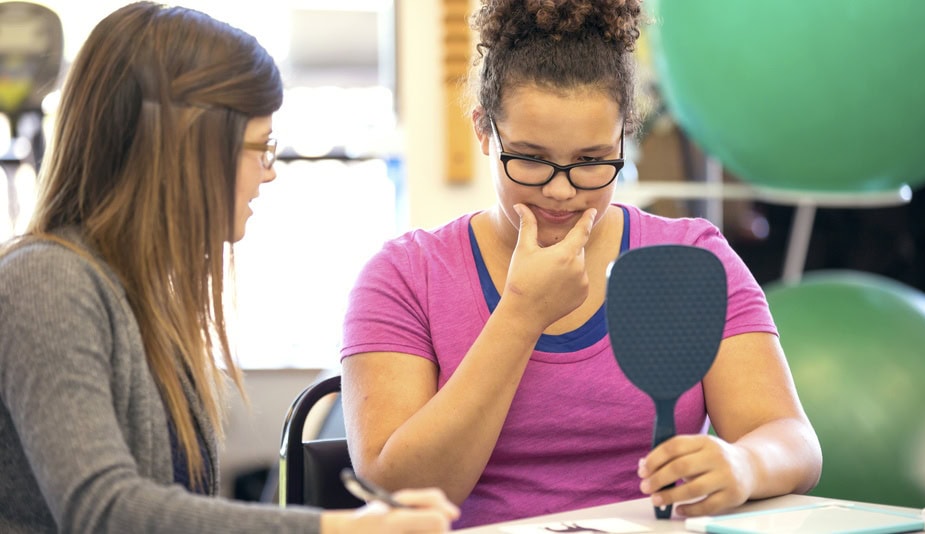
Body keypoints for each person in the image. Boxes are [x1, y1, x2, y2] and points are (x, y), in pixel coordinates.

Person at [340, 0, 822, 529]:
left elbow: (792, 440)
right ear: (484, 130)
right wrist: (522, 314)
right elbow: (398, 489)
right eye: (530, 158)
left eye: (592, 161)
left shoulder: (689, 258)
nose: (561, 189)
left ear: (624, 137)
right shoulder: (405, 276)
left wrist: (745, 464)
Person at [0, 3, 458, 533]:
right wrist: (341, 529)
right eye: (259, 148)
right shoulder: (47, 283)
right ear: (184, 146)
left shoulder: (144, 301)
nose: (269, 174)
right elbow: (105, 511)